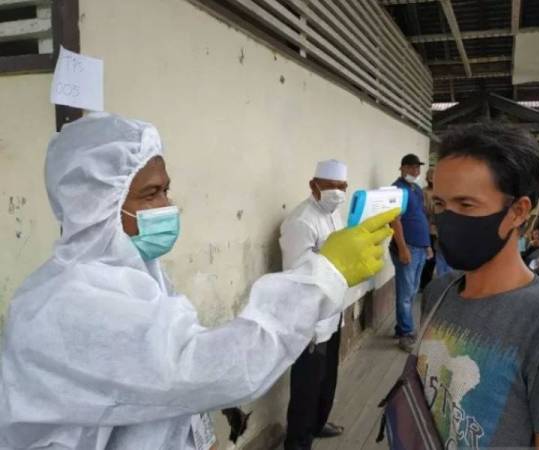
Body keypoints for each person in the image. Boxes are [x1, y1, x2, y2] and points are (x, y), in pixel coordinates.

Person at [0, 114, 398, 450]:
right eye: (151, 193)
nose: (168, 206)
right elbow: (207, 367)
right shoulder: (68, 303)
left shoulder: (130, 275)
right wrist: (325, 274)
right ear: (97, 205)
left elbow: (167, 374)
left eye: (166, 190)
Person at [419, 123, 539, 448]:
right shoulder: (439, 293)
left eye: (466, 205)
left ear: (518, 211)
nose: (447, 220)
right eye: (442, 205)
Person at [279, 159, 348, 450]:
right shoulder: (301, 220)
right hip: (310, 319)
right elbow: (297, 274)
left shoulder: (336, 214)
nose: (336, 192)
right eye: (330, 186)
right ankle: (297, 442)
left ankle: (318, 424)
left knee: (326, 379)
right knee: (306, 387)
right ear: (313, 185)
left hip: (333, 312)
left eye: (341, 187)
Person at [390, 154, 432, 352]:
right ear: (402, 168)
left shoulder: (415, 189)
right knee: (406, 293)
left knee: (413, 290)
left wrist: (427, 245)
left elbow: (421, 216)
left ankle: (401, 328)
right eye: (412, 168)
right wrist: (403, 248)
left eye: (418, 168)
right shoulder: (397, 189)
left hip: (420, 247)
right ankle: (406, 333)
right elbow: (395, 220)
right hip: (408, 247)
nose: (416, 172)